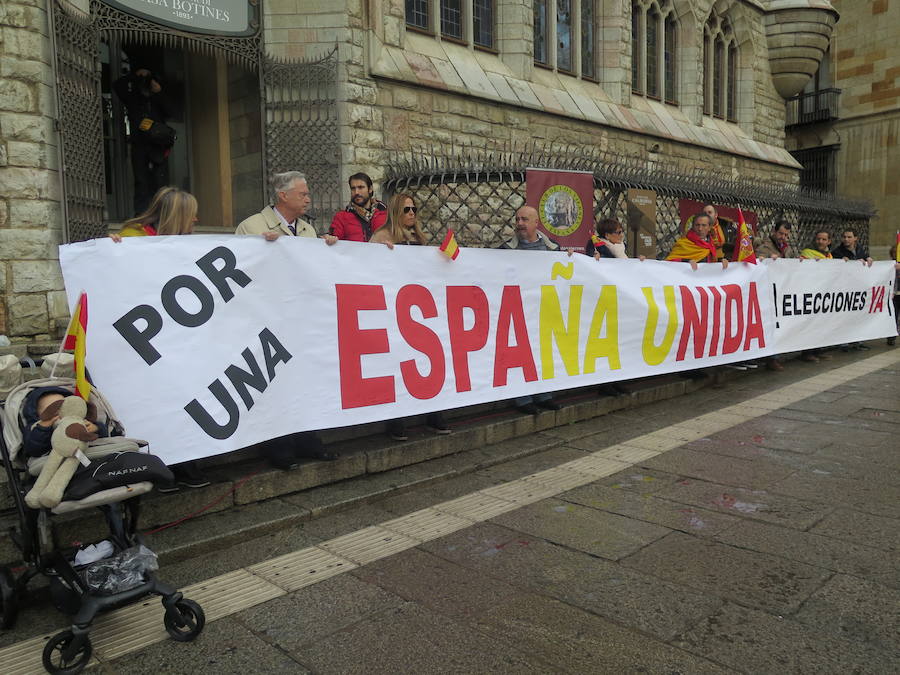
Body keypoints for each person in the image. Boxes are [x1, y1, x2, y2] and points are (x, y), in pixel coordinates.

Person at [109, 187, 210, 488]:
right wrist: (111, 250)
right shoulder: (133, 238)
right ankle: (160, 469)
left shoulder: (183, 244)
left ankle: (185, 466)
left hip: (178, 342)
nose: (197, 219)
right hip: (147, 345)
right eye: (192, 213)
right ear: (178, 216)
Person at [369, 194, 451, 440]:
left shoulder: (419, 238)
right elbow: (366, 266)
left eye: (415, 208)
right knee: (398, 365)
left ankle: (432, 414)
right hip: (393, 309)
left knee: (428, 362)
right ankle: (395, 420)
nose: (412, 213)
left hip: (417, 311)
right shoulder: (382, 238)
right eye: (407, 209)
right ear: (396, 212)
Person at [496, 206, 563, 414]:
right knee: (519, 355)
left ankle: (544, 395)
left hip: (543, 310)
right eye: (517, 219)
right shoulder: (505, 250)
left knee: (543, 353)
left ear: (536, 223)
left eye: (525, 219)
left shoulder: (553, 249)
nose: (520, 224)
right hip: (518, 310)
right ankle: (523, 399)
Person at [114, 68, 174, 214]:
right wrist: (135, 75)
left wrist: (158, 92)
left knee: (160, 183)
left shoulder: (157, 98)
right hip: (139, 144)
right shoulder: (134, 98)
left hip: (158, 146)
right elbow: (117, 86)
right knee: (141, 182)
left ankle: (162, 215)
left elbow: (170, 112)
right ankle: (141, 215)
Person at [236, 171, 319, 239]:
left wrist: (328, 247)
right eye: (302, 195)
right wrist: (265, 246)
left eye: (307, 195)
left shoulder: (308, 230)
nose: (308, 200)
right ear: (284, 196)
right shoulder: (250, 227)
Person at [113, 186, 196, 239]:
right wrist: (112, 246)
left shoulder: (186, 241)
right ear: (174, 217)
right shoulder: (133, 237)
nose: (195, 219)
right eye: (190, 215)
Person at [328, 173, 387, 242]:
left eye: (361, 187)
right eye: (353, 188)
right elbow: (334, 240)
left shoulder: (386, 214)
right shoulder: (341, 217)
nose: (356, 192)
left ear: (370, 189)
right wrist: (330, 239)